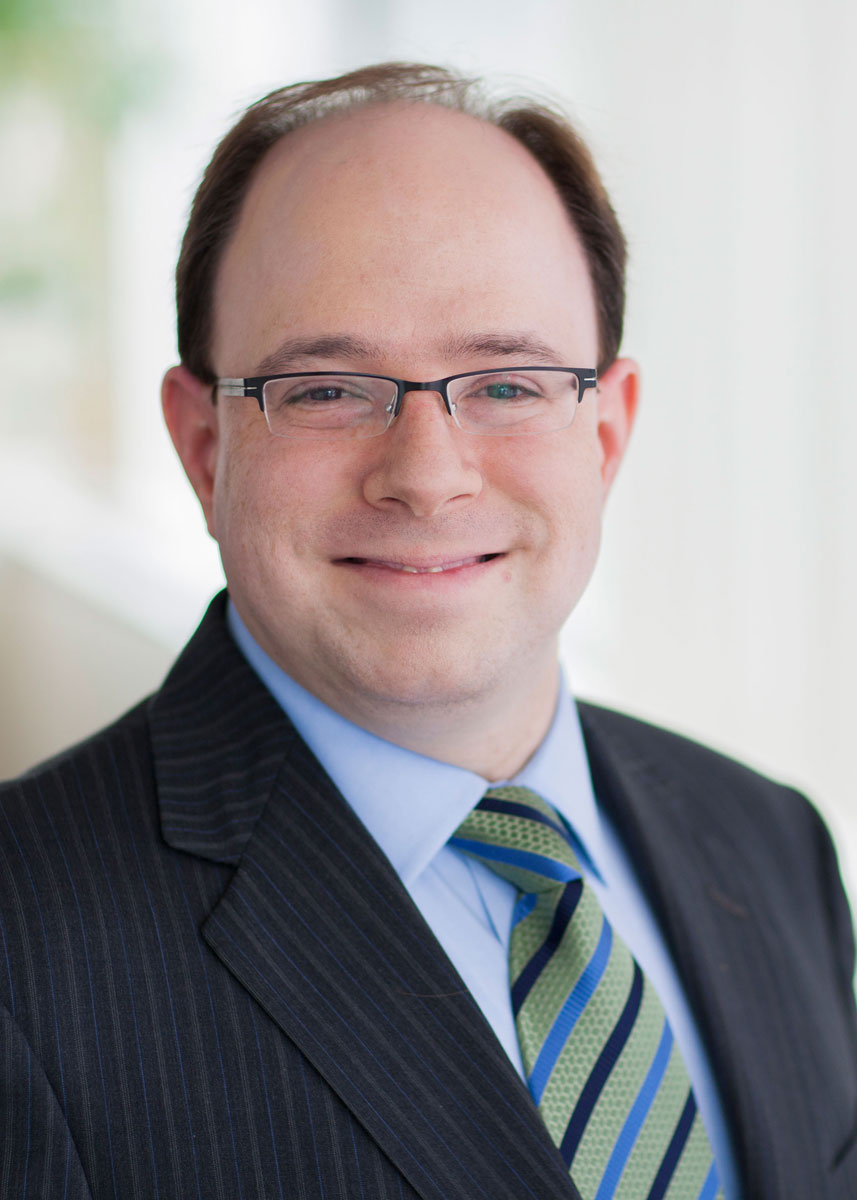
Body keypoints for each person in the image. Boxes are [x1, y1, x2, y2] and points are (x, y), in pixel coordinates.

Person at [1, 62, 855, 1200]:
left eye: (507, 385)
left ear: (605, 435)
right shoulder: (23, 946)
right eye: (324, 390)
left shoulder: (770, 839)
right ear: (205, 449)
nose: (426, 475)